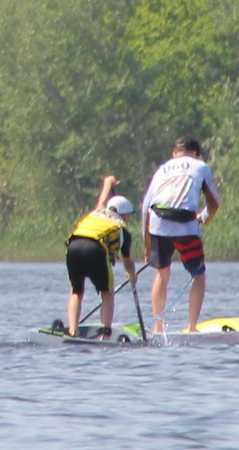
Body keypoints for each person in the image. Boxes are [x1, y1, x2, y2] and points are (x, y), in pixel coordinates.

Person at [142, 137, 222, 333]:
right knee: (198, 275)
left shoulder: (162, 168)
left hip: (158, 225)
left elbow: (145, 207)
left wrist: (147, 245)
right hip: (186, 226)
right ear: (196, 154)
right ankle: (192, 327)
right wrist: (203, 218)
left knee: (162, 274)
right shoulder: (201, 166)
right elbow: (214, 203)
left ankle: (157, 328)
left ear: (174, 153)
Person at [53, 177, 140, 338]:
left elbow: (101, 201)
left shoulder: (96, 213)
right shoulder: (121, 230)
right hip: (95, 250)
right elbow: (127, 261)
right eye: (128, 215)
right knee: (107, 293)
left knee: (76, 291)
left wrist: (108, 183)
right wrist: (132, 275)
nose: (129, 218)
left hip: (73, 247)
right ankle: (104, 334)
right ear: (123, 215)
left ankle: (73, 330)